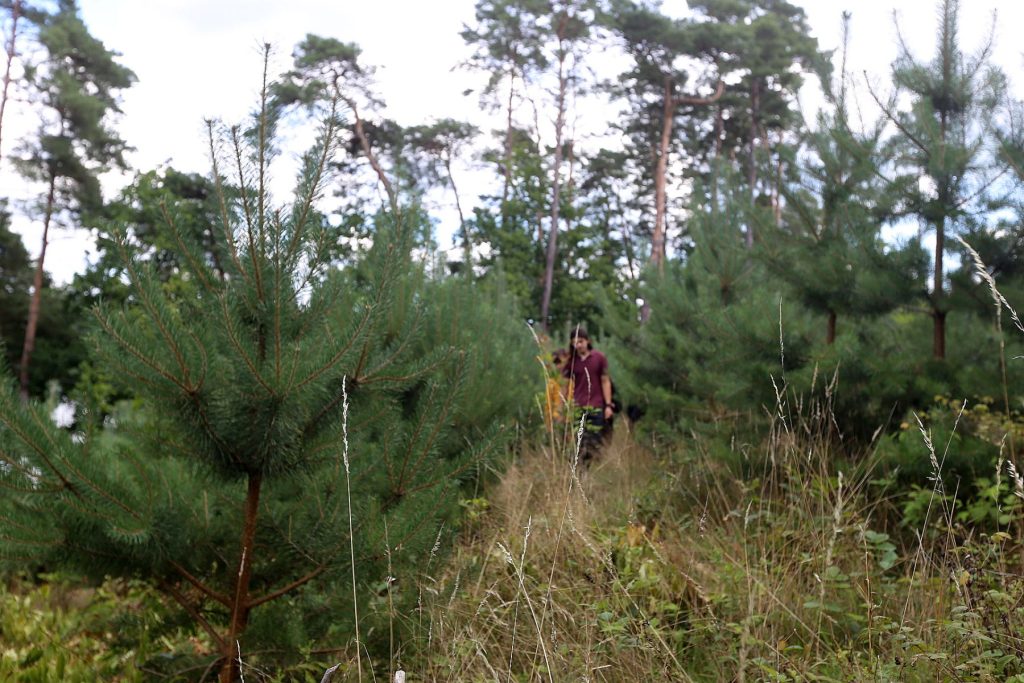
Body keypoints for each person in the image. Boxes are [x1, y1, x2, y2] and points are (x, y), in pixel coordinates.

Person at [562, 327, 613, 460]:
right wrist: (564, 406)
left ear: (587, 341)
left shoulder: (599, 358)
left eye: (581, 341)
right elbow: (566, 384)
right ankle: (581, 468)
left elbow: (605, 381)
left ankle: (592, 466)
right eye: (575, 342)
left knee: (594, 441)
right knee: (579, 441)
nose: (578, 345)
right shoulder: (572, 362)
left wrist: (608, 405)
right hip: (578, 407)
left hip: (596, 405)